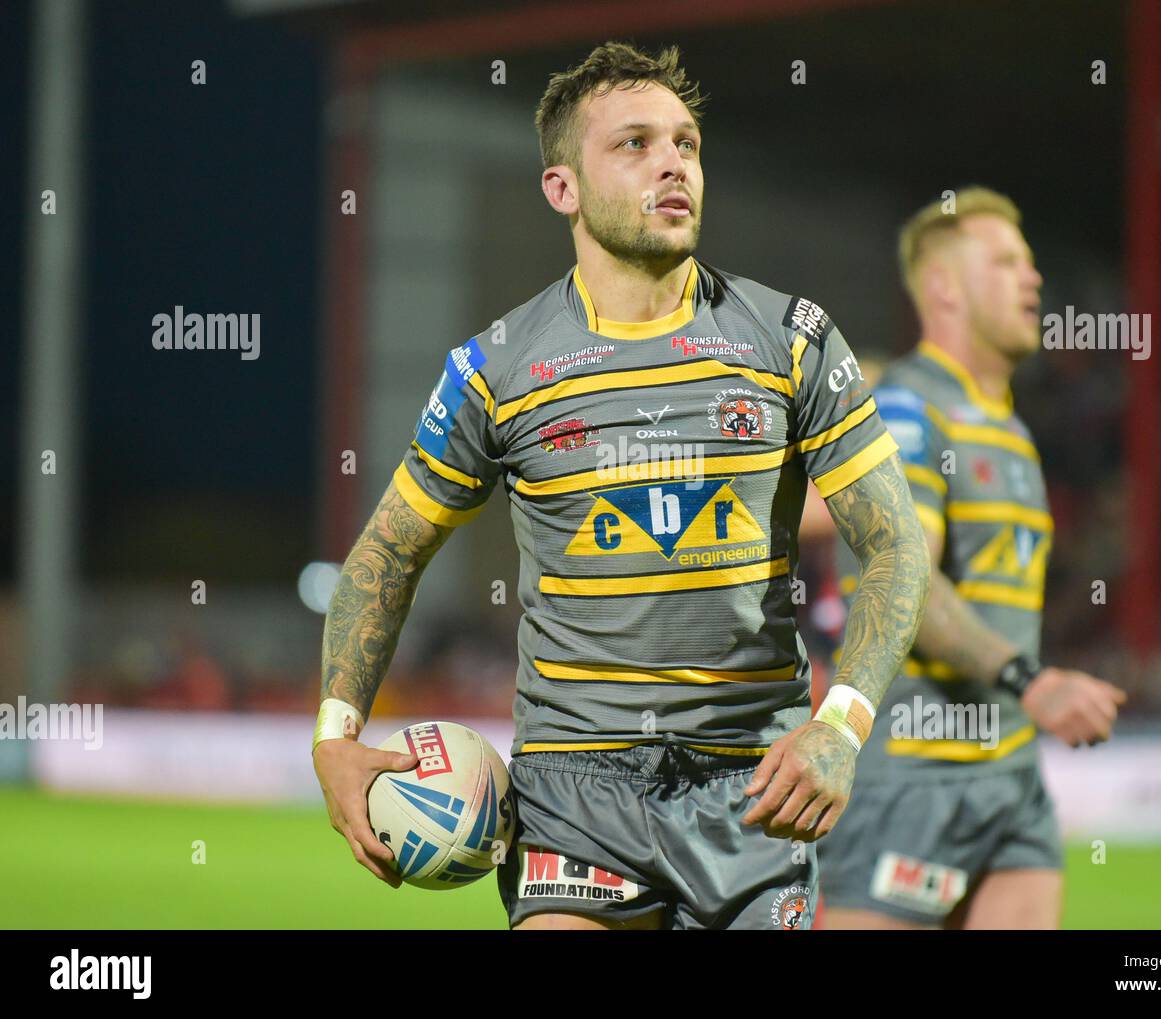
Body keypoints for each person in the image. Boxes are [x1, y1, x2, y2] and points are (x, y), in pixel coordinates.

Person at [312, 41, 929, 931]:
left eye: (686, 141)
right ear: (562, 188)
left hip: (752, 785)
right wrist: (335, 736)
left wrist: (842, 722)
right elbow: (389, 551)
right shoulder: (495, 369)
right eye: (633, 143)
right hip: (574, 790)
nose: (672, 161)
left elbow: (896, 541)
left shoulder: (792, 339)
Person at [816, 187, 1127, 929]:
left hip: (1010, 775)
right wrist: (1032, 680)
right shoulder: (903, 409)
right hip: (915, 773)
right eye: (1006, 261)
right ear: (945, 288)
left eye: (1030, 262)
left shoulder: (1012, 428)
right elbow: (905, 584)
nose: (1033, 279)